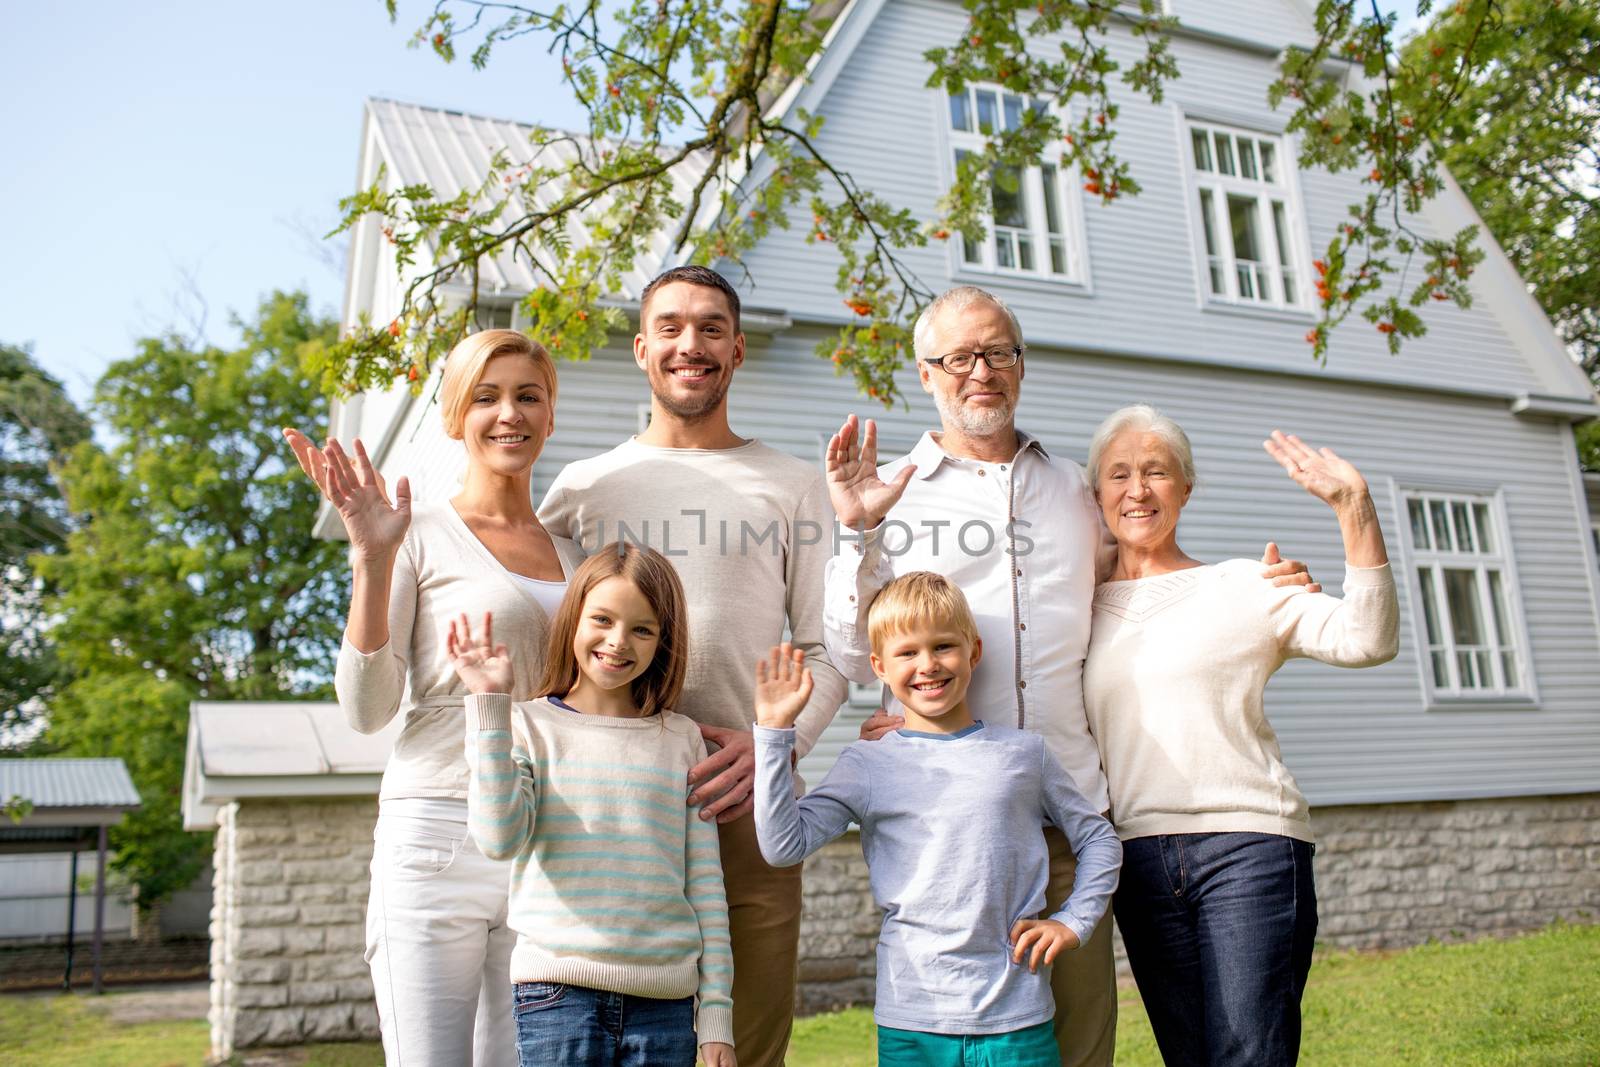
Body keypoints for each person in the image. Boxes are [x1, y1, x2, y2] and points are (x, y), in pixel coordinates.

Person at [821, 284, 1313, 1067]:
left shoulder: (1075, 490)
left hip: (1072, 815)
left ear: (1021, 364)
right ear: (925, 372)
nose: (980, 370)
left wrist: (1258, 583)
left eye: (997, 352)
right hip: (951, 827)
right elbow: (851, 657)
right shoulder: (890, 495)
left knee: (1082, 1042)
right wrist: (858, 531)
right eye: (958, 357)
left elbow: (1146, 579)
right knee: (952, 1039)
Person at [538, 265, 846, 1066]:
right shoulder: (581, 489)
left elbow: (832, 650)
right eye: (670, 326)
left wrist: (777, 745)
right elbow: (553, 644)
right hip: (607, 811)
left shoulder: (793, 486)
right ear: (642, 349)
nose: (691, 343)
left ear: (738, 350)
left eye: (712, 327)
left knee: (745, 1050)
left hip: (744, 803)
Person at [283, 330, 583, 1066]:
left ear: (550, 416)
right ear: (455, 416)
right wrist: (371, 562)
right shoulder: (414, 532)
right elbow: (367, 710)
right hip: (436, 836)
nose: (507, 412)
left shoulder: (577, 554)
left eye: (527, 395)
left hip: (545, 841)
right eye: (485, 396)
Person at [1083, 406, 1399, 1067]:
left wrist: (1353, 507)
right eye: (1119, 474)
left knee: (1249, 1054)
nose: (1137, 489)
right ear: (1097, 494)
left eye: (1156, 472)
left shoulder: (1246, 584)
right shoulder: (1074, 612)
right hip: (1136, 861)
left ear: (1186, 487)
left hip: (1248, 846)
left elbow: (1368, 639)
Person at [752, 572, 1122, 1067]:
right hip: (912, 1022)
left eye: (943, 646)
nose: (927, 665)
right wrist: (775, 735)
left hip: (1017, 1020)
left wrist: (1072, 922)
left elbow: (1098, 837)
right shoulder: (867, 763)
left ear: (974, 652)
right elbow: (782, 845)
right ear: (880, 667)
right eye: (907, 653)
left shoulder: (1023, 756)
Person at [447, 543, 735, 1067]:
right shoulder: (528, 725)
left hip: (666, 1005)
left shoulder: (681, 739)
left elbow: (706, 888)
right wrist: (490, 709)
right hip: (556, 997)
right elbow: (498, 839)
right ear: (573, 619)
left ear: (663, 641)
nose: (617, 641)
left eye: (642, 629)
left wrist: (716, 1015)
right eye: (602, 619)